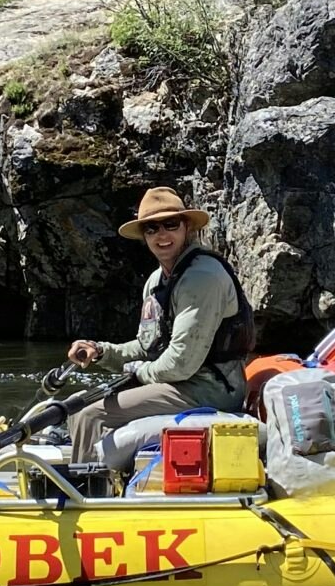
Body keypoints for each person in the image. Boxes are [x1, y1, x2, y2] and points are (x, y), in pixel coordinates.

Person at [65, 186, 254, 463]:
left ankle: (85, 491)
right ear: (144, 235)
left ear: (186, 226)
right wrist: (101, 351)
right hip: (177, 383)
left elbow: (181, 363)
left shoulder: (203, 277)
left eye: (170, 224)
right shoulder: (156, 282)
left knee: (91, 413)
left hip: (208, 390)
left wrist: (139, 373)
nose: (161, 235)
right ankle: (97, 470)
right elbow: (146, 345)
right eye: (151, 228)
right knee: (77, 404)